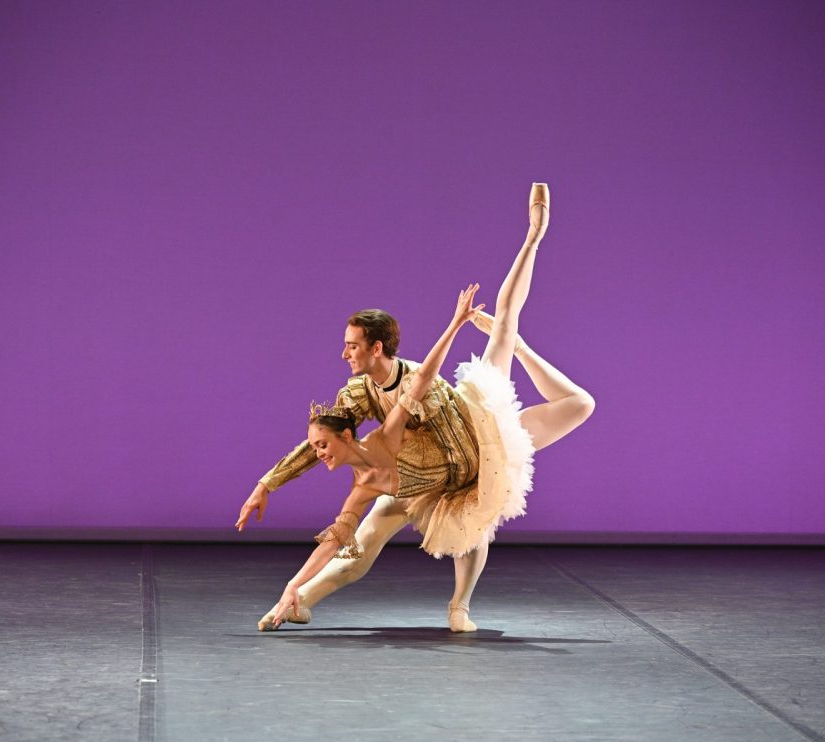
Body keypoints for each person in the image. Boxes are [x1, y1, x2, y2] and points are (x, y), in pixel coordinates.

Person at [250, 183, 596, 632]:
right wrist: (270, 485)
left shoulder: (410, 391)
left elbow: (429, 373)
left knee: (534, 362)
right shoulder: (358, 402)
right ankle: (300, 601)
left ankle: (460, 606)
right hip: (417, 475)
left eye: (351, 346)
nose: (344, 354)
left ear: (376, 347)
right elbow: (323, 438)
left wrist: (461, 322)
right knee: (365, 543)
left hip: (476, 437)